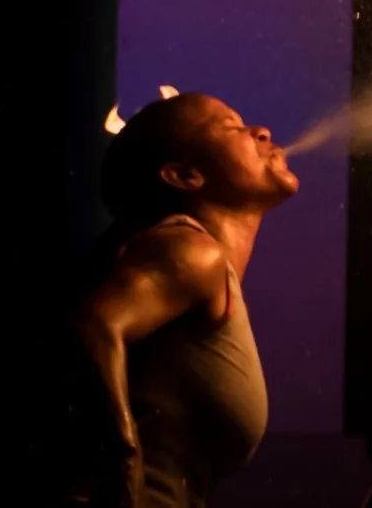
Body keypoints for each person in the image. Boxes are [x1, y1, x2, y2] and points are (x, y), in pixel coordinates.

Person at [72, 92, 299, 508]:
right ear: (183, 175)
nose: (261, 131)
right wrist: (123, 461)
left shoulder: (206, 272)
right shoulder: (193, 253)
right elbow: (92, 325)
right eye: (231, 127)